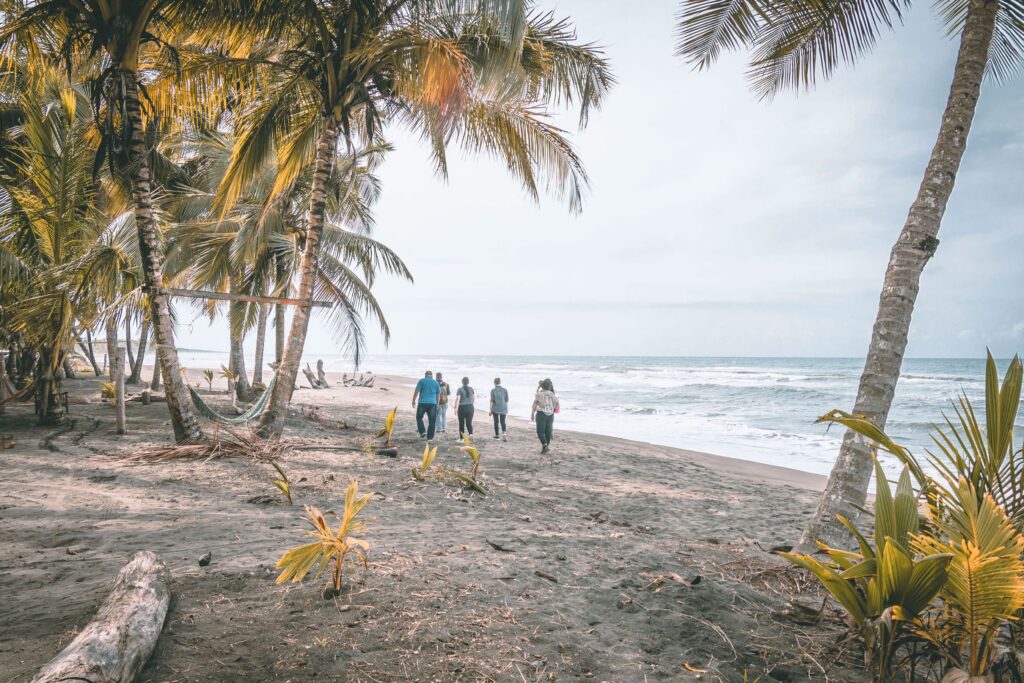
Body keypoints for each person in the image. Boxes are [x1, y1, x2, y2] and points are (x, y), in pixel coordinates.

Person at [531, 378, 559, 454]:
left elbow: (534, 405)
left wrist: (532, 414)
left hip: (541, 414)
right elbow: (556, 404)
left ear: (542, 386)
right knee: (548, 432)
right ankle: (545, 447)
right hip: (550, 415)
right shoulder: (552, 394)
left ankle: (545, 445)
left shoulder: (539, 394)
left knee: (540, 431)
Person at [411, 370, 441, 442]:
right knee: (432, 421)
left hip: (422, 403)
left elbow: (416, 391)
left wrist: (413, 400)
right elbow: (438, 395)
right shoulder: (436, 383)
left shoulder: (421, 381)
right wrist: (438, 403)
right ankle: (430, 438)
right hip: (432, 404)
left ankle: (422, 431)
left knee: (419, 417)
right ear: (432, 376)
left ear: (425, 375)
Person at [451, 376, 475, 443]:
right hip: (470, 407)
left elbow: (458, 399)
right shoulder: (471, 389)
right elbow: (473, 398)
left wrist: (455, 408)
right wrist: (471, 404)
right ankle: (471, 434)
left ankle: (462, 439)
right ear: (468, 382)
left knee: (461, 423)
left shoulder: (460, 389)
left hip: (462, 408)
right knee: (469, 423)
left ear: (462, 382)